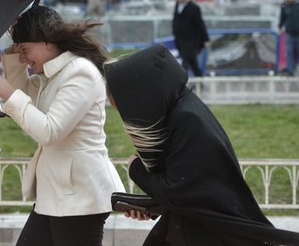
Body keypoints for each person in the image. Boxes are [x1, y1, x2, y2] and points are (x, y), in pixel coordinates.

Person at [104, 45, 299, 246]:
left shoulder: (187, 121)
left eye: (126, 110)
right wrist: (152, 207)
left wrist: (136, 170)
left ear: (142, 98)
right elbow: (193, 192)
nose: (129, 120)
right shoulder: (180, 110)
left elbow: (179, 192)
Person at [0, 6, 125, 246]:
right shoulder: (52, 74)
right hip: (57, 195)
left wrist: (10, 95)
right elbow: (23, 97)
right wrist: (14, 49)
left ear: (47, 42)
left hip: (80, 196)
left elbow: (49, 131)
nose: (24, 58)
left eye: (25, 50)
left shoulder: (80, 73)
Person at [172, 0, 210, 77]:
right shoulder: (178, 5)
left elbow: (200, 24)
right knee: (192, 63)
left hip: (191, 40)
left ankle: (182, 82)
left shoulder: (194, 8)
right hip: (181, 40)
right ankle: (199, 81)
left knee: (186, 62)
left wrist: (206, 39)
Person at [279, 0, 299, 76]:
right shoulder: (284, 5)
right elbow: (282, 18)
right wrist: (280, 27)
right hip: (289, 33)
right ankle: (290, 72)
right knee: (289, 53)